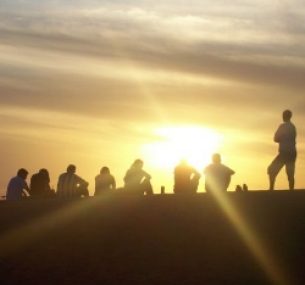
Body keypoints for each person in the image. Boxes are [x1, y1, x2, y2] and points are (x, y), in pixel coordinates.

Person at [268, 110, 297, 190]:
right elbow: (277, 138)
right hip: (291, 153)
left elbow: (276, 138)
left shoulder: (283, 126)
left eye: (284, 115)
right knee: (290, 173)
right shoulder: (292, 127)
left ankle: (271, 189)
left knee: (271, 169)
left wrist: (282, 138)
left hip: (285, 153)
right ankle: (291, 191)